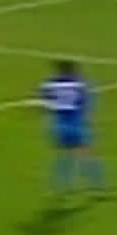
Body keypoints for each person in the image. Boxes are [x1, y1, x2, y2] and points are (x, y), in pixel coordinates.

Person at [39, 60, 105, 194]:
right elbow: (86, 103)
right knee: (85, 154)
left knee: (64, 155)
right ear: (72, 70)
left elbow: (46, 102)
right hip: (75, 123)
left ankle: (60, 187)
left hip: (59, 125)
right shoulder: (80, 83)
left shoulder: (49, 84)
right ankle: (98, 186)